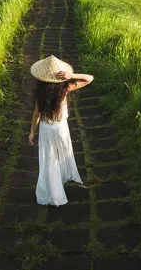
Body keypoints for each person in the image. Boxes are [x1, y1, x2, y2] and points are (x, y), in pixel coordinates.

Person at [28, 55, 93, 206]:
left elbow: (36, 114)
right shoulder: (65, 88)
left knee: (49, 159)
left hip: (46, 129)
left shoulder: (39, 92)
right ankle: (62, 181)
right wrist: (72, 76)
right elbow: (89, 78)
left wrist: (32, 132)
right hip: (61, 127)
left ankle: (54, 193)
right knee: (63, 154)